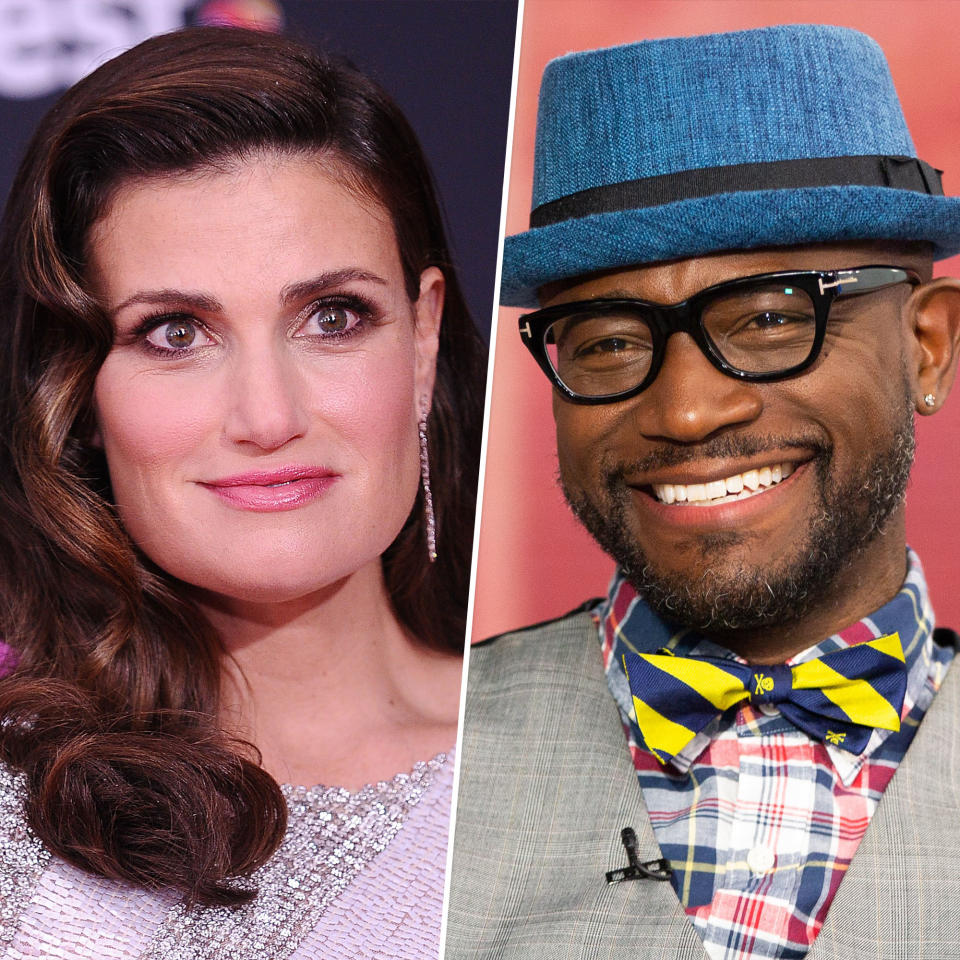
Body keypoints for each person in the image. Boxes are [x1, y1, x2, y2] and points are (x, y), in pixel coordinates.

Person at [447, 24, 960, 960]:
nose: (686, 412)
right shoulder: (427, 761)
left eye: (771, 318)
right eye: (608, 340)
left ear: (927, 346)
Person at [0, 25, 485, 958]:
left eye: (333, 318)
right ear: (78, 389)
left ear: (421, 341)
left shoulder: (589, 776)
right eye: (175, 332)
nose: (268, 415)